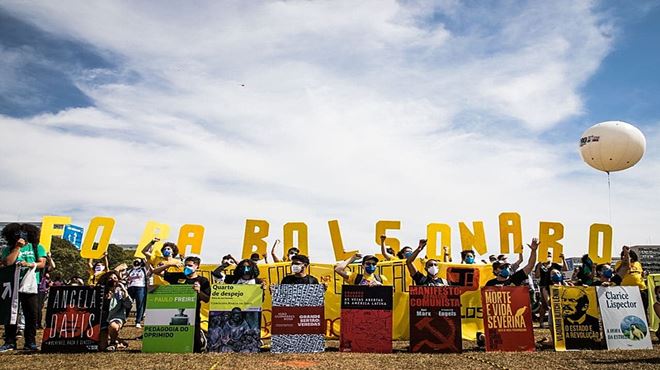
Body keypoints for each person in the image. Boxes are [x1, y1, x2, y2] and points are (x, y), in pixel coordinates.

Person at [0, 223, 47, 352]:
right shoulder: (8, 248)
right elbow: (7, 262)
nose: (21, 236)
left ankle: (30, 342)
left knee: (31, 314)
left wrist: (29, 264)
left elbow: (42, 263)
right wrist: (17, 248)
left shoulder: (37, 247)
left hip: (30, 285)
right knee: (11, 313)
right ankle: (9, 341)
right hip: (12, 285)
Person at [153, 256, 211, 352]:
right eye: (185, 265)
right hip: (174, 310)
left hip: (193, 312)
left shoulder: (203, 281)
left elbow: (206, 299)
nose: (187, 267)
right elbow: (156, 272)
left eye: (190, 265)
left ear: (197, 266)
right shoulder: (178, 276)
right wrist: (169, 264)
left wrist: (199, 291)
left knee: (196, 345)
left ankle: (200, 339)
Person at [97, 271, 132, 351]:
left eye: (115, 278)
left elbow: (128, 305)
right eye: (110, 278)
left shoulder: (120, 292)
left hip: (116, 317)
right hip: (102, 319)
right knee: (102, 347)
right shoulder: (101, 291)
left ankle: (113, 342)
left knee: (113, 326)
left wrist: (124, 291)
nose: (112, 280)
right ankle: (119, 342)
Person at [534, 252, 567, 328]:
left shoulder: (555, 264)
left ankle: (557, 321)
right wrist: (539, 264)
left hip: (556, 285)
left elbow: (565, 269)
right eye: (547, 256)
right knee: (545, 305)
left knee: (557, 303)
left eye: (549, 256)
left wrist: (563, 259)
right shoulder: (540, 265)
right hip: (544, 286)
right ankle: (541, 322)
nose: (548, 257)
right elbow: (537, 276)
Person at [615, 246, 648, 311]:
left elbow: (641, 274)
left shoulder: (637, 264)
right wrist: (626, 260)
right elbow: (619, 270)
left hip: (641, 289)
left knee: (643, 308)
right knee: (630, 309)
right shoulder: (619, 263)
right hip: (627, 290)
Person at [126, 258, 150, 328]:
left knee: (140, 305)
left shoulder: (143, 269)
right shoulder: (130, 270)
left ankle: (138, 321)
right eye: (135, 260)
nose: (136, 262)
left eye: (138, 261)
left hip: (140, 288)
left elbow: (148, 267)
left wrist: (146, 261)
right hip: (131, 288)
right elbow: (123, 275)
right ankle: (125, 318)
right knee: (128, 304)